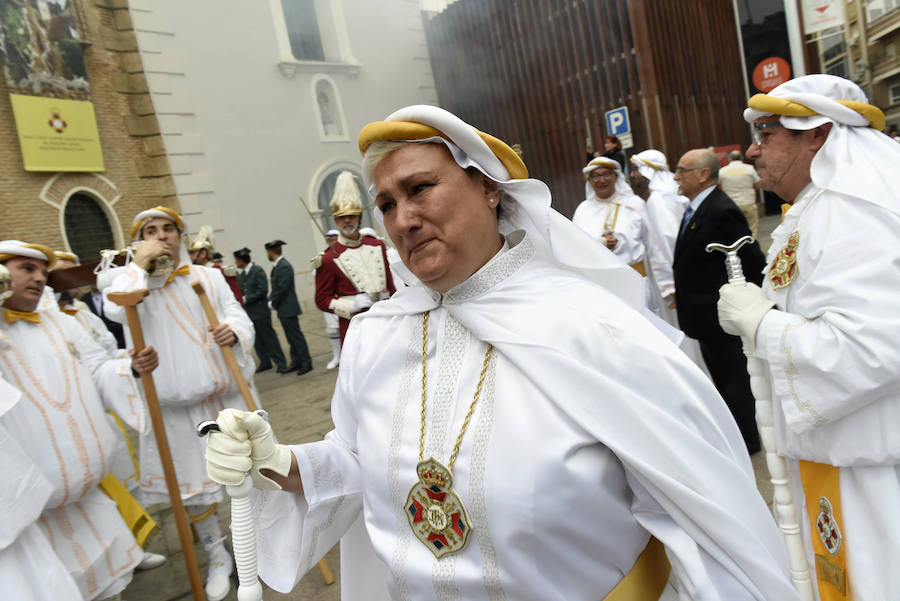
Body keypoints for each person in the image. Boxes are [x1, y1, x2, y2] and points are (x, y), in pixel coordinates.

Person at [204, 105, 802, 601]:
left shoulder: (595, 329)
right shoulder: (375, 336)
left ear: (490, 189)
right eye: (386, 204)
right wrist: (279, 464)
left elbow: (709, 526)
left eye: (419, 189)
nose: (403, 220)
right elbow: (359, 462)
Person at [717, 73, 900, 601]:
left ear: (816, 133)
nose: (752, 150)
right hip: (838, 457)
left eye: (767, 133)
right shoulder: (820, 208)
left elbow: (873, 349)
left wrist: (762, 324)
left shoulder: (854, 213)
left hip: (870, 470)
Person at [102, 207, 260, 601]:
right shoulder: (133, 288)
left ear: (180, 235)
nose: (161, 236)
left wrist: (234, 331)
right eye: (150, 231)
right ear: (139, 241)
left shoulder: (207, 276)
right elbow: (112, 308)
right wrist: (139, 264)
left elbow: (239, 316)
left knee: (245, 478)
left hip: (222, 399)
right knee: (195, 492)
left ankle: (252, 548)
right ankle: (217, 555)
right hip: (172, 411)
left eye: (168, 229)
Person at [0, 240, 158, 601]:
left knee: (111, 584)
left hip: (90, 496)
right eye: (27, 268)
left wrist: (128, 367)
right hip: (37, 520)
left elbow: (96, 369)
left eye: (43, 271)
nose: (40, 277)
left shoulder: (61, 322)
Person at [672, 148, 765, 454]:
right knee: (723, 380)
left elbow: (749, 258)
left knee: (734, 381)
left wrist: (745, 303)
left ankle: (748, 442)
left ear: (702, 174)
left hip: (720, 316)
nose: (676, 176)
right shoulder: (698, 208)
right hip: (705, 315)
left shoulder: (720, 209)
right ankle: (738, 436)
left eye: (682, 170)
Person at [314, 170, 396, 345]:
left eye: (351, 216)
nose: (347, 221)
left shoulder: (376, 245)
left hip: (388, 319)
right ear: (336, 221)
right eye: (342, 217)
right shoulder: (328, 258)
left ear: (359, 217)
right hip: (356, 326)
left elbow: (390, 286)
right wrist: (351, 305)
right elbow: (322, 299)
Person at [572, 156, 648, 276]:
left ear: (615, 176)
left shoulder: (635, 204)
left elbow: (653, 246)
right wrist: (600, 243)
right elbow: (575, 248)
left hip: (636, 276)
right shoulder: (583, 210)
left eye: (606, 174)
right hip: (600, 281)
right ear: (590, 180)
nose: (602, 180)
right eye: (596, 176)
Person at [234, 247, 288, 374]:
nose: (236, 263)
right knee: (257, 339)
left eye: (236, 260)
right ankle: (265, 362)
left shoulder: (257, 271)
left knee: (269, 337)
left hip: (260, 310)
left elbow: (262, 290)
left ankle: (280, 362)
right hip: (249, 312)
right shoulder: (241, 275)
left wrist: (246, 298)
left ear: (241, 261)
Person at [265, 239, 313, 375]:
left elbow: (282, 288)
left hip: (288, 308)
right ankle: (296, 361)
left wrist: (272, 301)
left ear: (270, 252)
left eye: (267, 252)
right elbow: (276, 288)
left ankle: (306, 362)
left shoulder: (284, 266)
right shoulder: (277, 266)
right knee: (291, 338)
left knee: (296, 337)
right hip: (283, 308)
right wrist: (271, 300)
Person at [190, 225, 244, 306]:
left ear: (203, 254)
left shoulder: (219, 271)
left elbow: (237, 300)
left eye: (193, 253)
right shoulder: (196, 272)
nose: (190, 256)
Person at [312, 229, 342, 370]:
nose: (332, 241)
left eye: (334, 238)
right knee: (333, 331)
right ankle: (337, 356)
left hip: (347, 298)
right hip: (331, 300)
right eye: (329, 239)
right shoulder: (323, 256)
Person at [718, 150, 761, 238]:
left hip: (731, 205)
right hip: (749, 202)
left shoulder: (722, 172)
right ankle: (752, 248)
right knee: (752, 229)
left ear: (729, 159)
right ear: (741, 158)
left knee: (734, 230)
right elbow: (758, 185)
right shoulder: (750, 169)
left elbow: (716, 186)